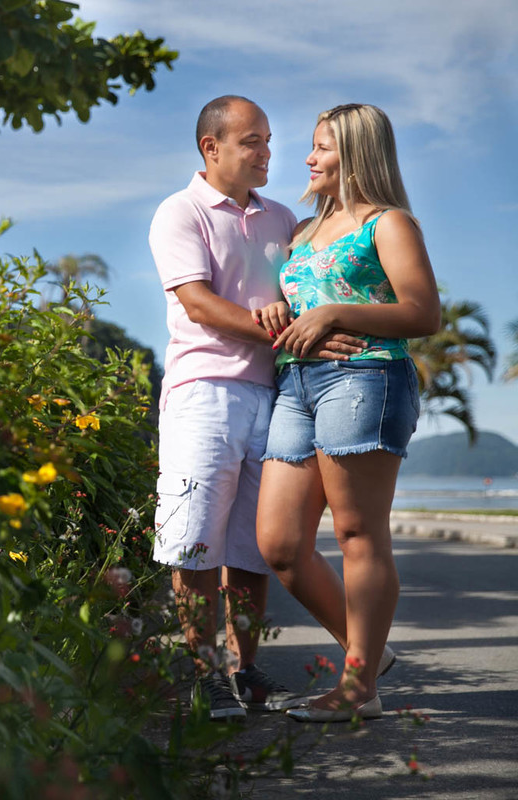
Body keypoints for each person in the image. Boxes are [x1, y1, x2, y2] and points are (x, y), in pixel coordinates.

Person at [148, 96, 364, 720]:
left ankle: (245, 672)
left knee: (248, 546)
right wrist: (295, 333)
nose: (267, 153)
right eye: (252, 142)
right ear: (210, 148)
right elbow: (199, 305)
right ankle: (204, 673)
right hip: (202, 393)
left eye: (269, 140)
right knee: (193, 541)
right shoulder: (179, 211)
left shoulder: (282, 220)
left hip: (271, 394)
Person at [252, 103, 440, 722]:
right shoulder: (302, 233)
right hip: (295, 385)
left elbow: (422, 314)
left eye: (322, 147)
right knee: (279, 543)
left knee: (360, 534)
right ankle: (369, 656)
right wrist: (277, 313)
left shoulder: (389, 223)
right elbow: (289, 304)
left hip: (365, 378)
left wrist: (334, 313)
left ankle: (359, 686)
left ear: (356, 154)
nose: (308, 158)